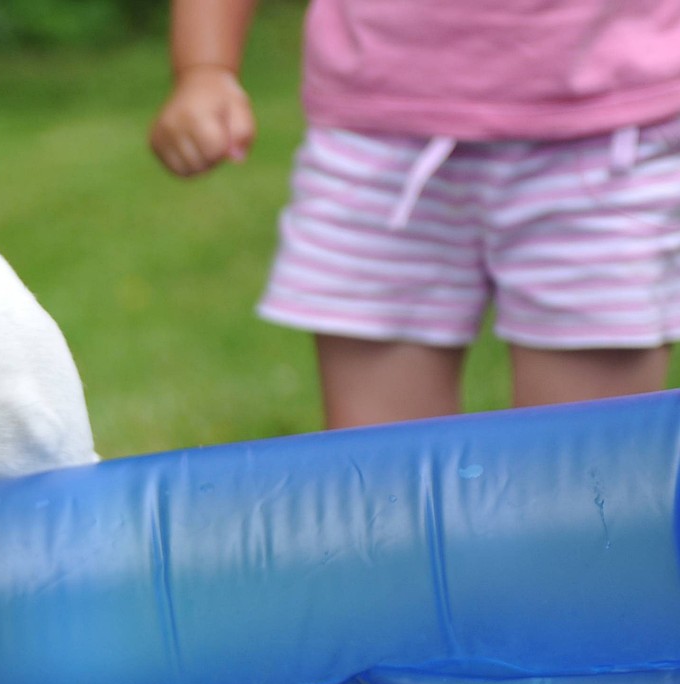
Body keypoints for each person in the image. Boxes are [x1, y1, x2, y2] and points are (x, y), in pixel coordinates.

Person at [149, 0, 680, 429]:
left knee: (584, 476)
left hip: (610, 137)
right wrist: (205, 67)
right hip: (375, 138)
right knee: (382, 487)